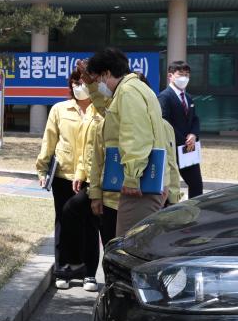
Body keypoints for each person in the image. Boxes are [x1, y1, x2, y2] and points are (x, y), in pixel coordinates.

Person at [86, 70, 181, 246]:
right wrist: (95, 194)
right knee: (112, 252)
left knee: (136, 249)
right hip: (110, 199)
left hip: (141, 196)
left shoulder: (164, 126)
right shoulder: (107, 123)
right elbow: (98, 163)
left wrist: (174, 199)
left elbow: (170, 164)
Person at [35, 69, 101, 291]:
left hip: (91, 178)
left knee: (90, 224)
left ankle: (89, 272)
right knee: (63, 221)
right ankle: (63, 268)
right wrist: (42, 169)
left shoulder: (100, 110)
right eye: (75, 82)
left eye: (83, 81)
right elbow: (49, 141)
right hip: (64, 176)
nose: (79, 85)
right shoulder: (59, 109)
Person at [158, 61, 203, 198]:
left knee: (196, 184)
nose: (184, 78)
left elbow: (195, 119)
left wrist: (194, 135)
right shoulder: (164, 97)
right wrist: (183, 140)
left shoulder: (188, 97)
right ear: (170, 76)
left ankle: (196, 215)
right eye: (180, 74)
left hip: (188, 149)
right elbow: (165, 122)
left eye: (187, 75)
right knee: (169, 187)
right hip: (172, 148)